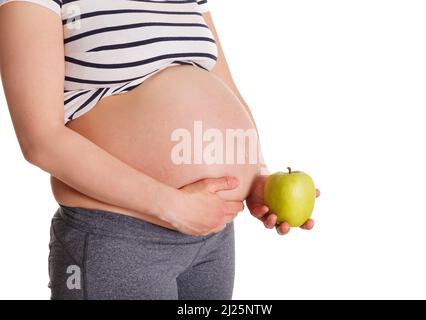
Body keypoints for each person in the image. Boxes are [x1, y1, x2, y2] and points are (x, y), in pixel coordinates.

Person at [0, 0, 319, 299]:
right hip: (120, 236)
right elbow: (41, 140)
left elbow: (225, 87)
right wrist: (173, 206)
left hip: (214, 238)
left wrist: (256, 176)